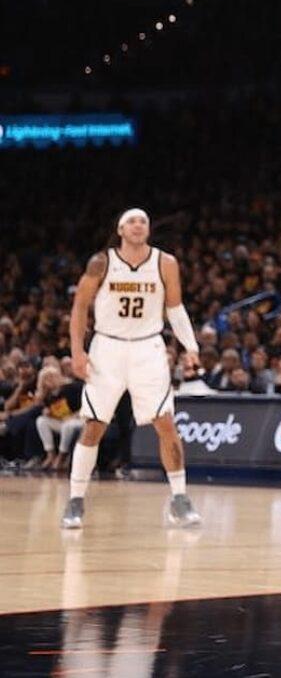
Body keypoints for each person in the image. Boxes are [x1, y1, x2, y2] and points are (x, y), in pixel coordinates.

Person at [61, 208, 202, 529]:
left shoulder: (165, 263)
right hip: (107, 348)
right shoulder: (102, 262)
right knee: (94, 426)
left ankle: (180, 498)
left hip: (147, 348)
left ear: (148, 230)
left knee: (165, 423)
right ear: (121, 230)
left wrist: (191, 346)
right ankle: (75, 500)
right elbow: (80, 307)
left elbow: (175, 308)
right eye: (132, 222)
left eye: (143, 222)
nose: (138, 225)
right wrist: (77, 352)